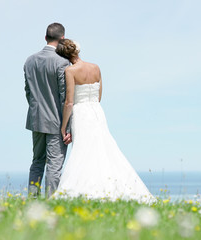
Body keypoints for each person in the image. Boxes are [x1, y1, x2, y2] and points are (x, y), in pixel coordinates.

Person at [52, 39, 155, 203]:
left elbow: (69, 102)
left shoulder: (70, 71)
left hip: (81, 112)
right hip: (97, 112)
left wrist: (64, 127)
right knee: (104, 148)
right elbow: (99, 95)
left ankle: (87, 190)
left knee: (83, 150)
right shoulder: (96, 67)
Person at [24, 23, 72, 198]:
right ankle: (51, 202)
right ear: (62, 39)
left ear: (45, 38)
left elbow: (28, 92)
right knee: (54, 165)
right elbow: (65, 97)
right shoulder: (62, 63)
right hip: (57, 122)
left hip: (36, 120)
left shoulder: (29, 61)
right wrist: (67, 128)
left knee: (37, 161)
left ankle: (32, 199)